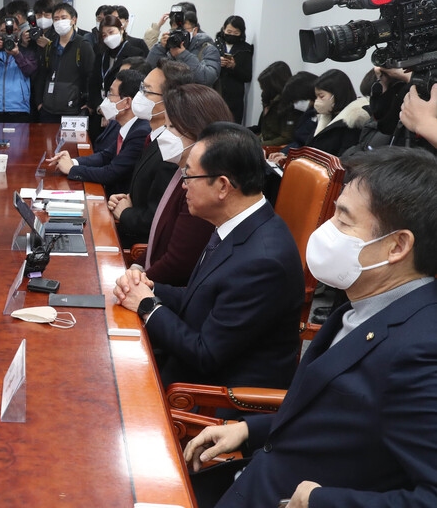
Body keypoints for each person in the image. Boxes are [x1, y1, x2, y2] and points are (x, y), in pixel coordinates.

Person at [186, 147, 437, 508]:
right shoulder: (362, 305)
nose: (326, 229)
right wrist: (248, 430)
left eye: (344, 220)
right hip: (254, 475)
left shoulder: (422, 352)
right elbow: (338, 421)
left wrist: (321, 501)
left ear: (397, 246)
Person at [114, 121, 304, 393]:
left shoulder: (263, 262)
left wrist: (147, 307)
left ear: (223, 186)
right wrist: (151, 288)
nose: (183, 186)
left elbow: (206, 355)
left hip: (215, 398)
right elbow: (202, 301)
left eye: (188, 176)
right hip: (186, 366)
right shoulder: (236, 223)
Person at [132, 84, 230, 287]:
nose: (166, 134)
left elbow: (178, 265)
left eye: (173, 128)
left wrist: (138, 282)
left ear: (200, 131)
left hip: (169, 293)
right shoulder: (180, 172)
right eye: (166, 127)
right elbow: (160, 240)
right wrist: (138, 267)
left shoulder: (202, 187)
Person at [108, 59, 192, 247]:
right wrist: (124, 199)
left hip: (140, 243)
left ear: (170, 100)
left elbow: (158, 216)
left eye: (146, 91)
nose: (139, 96)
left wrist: (126, 213)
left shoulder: (172, 149)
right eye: (140, 89)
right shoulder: (153, 137)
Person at [49, 69, 150, 196]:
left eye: (111, 94)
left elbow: (112, 173)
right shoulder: (126, 126)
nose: (107, 99)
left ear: (127, 102)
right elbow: (105, 156)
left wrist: (72, 169)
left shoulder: (140, 132)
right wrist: (73, 161)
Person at [35, 3, 95, 123]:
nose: (59, 22)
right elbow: (42, 75)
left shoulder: (83, 45)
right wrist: (39, 102)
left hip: (73, 110)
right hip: (48, 109)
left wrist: (90, 103)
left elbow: (91, 76)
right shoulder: (50, 46)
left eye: (63, 18)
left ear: (73, 20)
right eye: (56, 19)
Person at [89, 15, 148, 138]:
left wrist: (112, 112)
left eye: (111, 32)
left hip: (123, 112)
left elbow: (136, 88)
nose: (108, 37)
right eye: (104, 35)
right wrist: (102, 109)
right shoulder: (101, 53)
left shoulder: (136, 52)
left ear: (121, 29)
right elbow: (93, 84)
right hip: (100, 113)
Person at [0, 13, 38, 123]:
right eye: (4, 31)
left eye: (13, 30)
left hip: (19, 109)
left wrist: (17, 54)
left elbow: (30, 70)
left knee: (18, 140)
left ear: (18, 31)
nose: (9, 34)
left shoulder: (26, 51)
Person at [147, 10, 220, 86]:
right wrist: (160, 48)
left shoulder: (208, 49)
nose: (179, 34)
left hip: (193, 96)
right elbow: (148, 71)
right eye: (175, 30)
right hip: (168, 94)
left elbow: (207, 79)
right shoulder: (167, 46)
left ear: (195, 31)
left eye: (184, 30)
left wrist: (183, 55)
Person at [307, 69, 370, 156]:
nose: (317, 101)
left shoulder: (352, 123)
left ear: (337, 94)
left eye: (321, 96)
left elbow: (343, 159)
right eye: (316, 97)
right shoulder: (325, 116)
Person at [214, 16, 254, 124]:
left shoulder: (245, 49)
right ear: (223, 29)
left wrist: (234, 67)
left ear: (241, 32)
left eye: (236, 33)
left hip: (234, 97)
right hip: (216, 93)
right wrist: (217, 63)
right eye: (229, 31)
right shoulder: (215, 46)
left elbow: (247, 76)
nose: (231, 35)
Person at [255, 61, 295, 146]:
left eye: (264, 88)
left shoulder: (287, 105)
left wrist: (257, 146)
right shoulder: (269, 100)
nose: (263, 92)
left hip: (275, 151)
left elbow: (286, 138)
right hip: (264, 144)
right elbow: (266, 131)